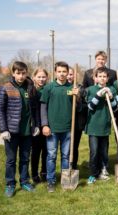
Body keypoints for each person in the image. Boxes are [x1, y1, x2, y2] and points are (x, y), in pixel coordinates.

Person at [0, 61, 39, 197]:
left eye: (23, 73)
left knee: (25, 158)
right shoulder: (6, 88)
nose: (21, 76)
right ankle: (10, 184)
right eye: (18, 73)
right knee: (11, 159)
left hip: (27, 131)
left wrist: (36, 125)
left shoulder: (31, 88)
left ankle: (25, 181)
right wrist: (3, 129)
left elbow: (35, 109)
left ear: (27, 73)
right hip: (11, 131)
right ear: (13, 73)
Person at [40, 61, 79, 193]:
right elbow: (43, 107)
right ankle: (51, 180)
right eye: (59, 71)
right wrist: (45, 124)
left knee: (66, 156)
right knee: (51, 155)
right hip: (52, 129)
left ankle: (65, 178)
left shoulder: (71, 88)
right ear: (55, 72)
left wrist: (77, 96)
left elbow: (77, 107)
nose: (62, 74)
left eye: (64, 71)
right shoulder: (49, 88)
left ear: (68, 73)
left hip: (68, 128)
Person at [85, 67, 117, 184]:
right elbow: (90, 107)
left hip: (105, 125)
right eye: (100, 76)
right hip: (93, 126)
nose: (102, 79)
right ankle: (93, 173)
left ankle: (103, 169)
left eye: (104, 76)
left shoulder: (111, 89)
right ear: (95, 78)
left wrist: (111, 97)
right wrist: (98, 95)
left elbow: (115, 108)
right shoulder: (90, 90)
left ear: (107, 78)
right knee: (94, 151)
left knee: (104, 151)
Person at [67, 67, 87, 171]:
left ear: (75, 76)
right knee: (65, 148)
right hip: (65, 122)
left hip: (77, 123)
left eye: (71, 74)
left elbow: (84, 107)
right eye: (68, 74)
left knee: (74, 147)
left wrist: (78, 97)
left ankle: (73, 167)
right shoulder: (63, 87)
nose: (69, 76)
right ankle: (65, 167)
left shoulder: (81, 88)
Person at [30, 68, 49, 184]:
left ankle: (44, 172)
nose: (41, 79)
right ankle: (34, 173)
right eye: (39, 77)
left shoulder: (48, 89)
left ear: (47, 78)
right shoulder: (31, 91)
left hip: (46, 125)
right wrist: (35, 125)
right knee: (36, 151)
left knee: (46, 151)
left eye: (43, 77)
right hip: (36, 126)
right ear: (34, 77)